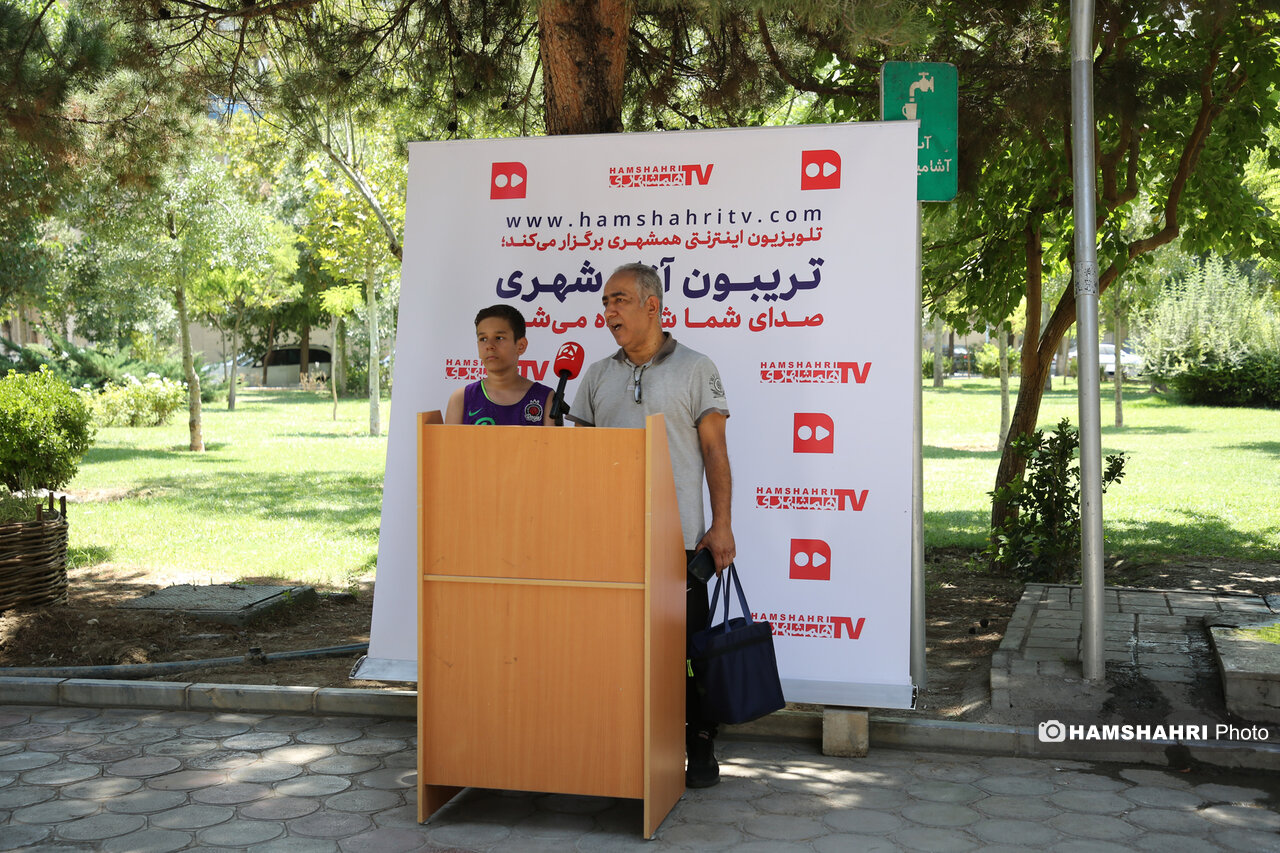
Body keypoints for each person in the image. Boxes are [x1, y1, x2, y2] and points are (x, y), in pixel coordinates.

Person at [571, 262, 735, 788]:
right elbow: (578, 460)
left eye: (618, 299)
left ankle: (699, 745)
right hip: (609, 544)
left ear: (652, 306)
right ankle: (622, 747)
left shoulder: (696, 367)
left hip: (678, 544)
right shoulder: (596, 375)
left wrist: (722, 525)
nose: (608, 311)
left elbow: (715, 452)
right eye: (604, 302)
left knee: (688, 655)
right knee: (615, 653)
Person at [445, 305, 554, 426]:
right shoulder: (461, 399)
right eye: (483, 339)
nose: (489, 346)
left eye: (499, 338)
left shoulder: (545, 398)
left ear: (521, 346)